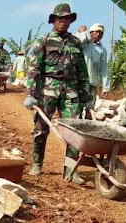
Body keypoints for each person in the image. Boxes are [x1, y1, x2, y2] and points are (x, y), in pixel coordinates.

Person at [23, 3, 90, 183]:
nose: (63, 21)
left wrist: (86, 96)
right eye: (60, 18)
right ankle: (37, 164)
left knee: (74, 130)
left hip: (70, 91)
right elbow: (34, 68)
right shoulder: (43, 40)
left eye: (66, 18)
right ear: (53, 20)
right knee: (40, 129)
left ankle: (71, 169)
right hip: (47, 91)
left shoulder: (76, 42)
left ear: (70, 21)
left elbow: (82, 71)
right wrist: (30, 93)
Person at [74, 23, 111, 119]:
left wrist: (105, 87)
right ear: (91, 33)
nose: (98, 35)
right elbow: (74, 43)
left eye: (101, 33)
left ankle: (87, 127)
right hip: (80, 81)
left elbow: (104, 68)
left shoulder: (102, 50)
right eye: (96, 32)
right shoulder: (84, 44)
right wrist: (81, 32)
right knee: (77, 107)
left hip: (92, 83)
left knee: (90, 108)